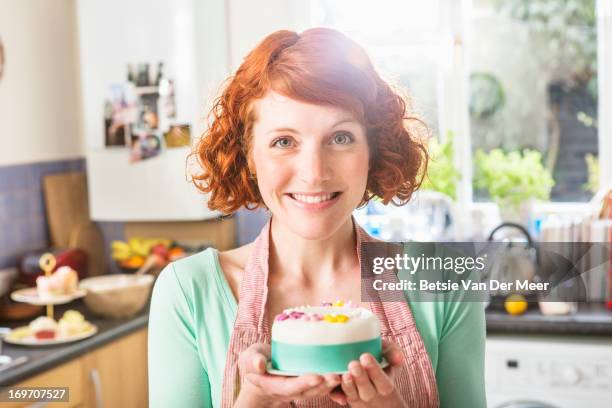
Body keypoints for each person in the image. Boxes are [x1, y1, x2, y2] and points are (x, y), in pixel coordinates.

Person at [148, 28, 486, 408]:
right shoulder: (189, 292)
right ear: (249, 156)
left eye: (340, 137)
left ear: (372, 151)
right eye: (284, 141)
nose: (314, 172)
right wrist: (255, 399)